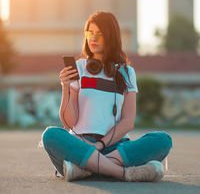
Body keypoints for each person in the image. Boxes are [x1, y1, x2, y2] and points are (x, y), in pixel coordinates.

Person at [42, 11, 172, 182]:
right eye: (89, 33)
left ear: (111, 37)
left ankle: (84, 170)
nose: (92, 39)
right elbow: (69, 122)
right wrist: (65, 87)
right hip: (81, 145)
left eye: (99, 34)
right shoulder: (78, 68)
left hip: (115, 146)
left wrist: (100, 145)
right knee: (51, 135)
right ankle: (123, 173)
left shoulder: (126, 72)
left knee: (162, 140)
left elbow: (128, 121)